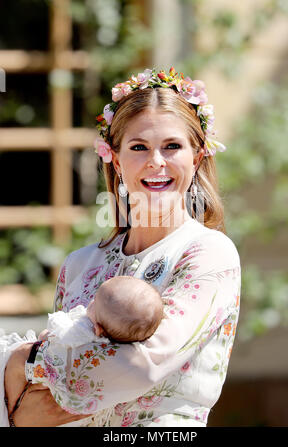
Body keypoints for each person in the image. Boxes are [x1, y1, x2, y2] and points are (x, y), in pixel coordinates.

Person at [4, 67, 241, 427]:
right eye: (139, 147)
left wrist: (20, 360)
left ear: (196, 156)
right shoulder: (79, 265)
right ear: (114, 157)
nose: (156, 162)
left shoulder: (208, 254)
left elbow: (142, 367)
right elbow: (43, 402)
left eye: (172, 146)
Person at [0, 276, 163, 427]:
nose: (90, 302)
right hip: (79, 411)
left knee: (15, 364)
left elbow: (51, 336)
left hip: (40, 387)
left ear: (98, 329)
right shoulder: (117, 349)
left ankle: (11, 408)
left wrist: (47, 336)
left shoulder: (82, 331)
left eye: (94, 302)